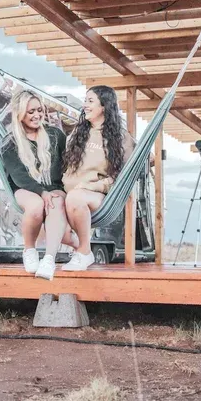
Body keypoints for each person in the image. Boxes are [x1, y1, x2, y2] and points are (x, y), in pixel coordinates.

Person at [1, 89, 79, 280]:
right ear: (20, 114)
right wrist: (41, 192)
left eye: (39, 110)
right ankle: (29, 250)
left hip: (54, 188)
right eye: (30, 112)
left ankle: (49, 259)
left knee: (57, 204)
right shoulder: (10, 142)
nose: (37, 115)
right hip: (24, 189)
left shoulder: (56, 135)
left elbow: (65, 167)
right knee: (36, 206)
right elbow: (19, 176)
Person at [62, 85, 135, 271]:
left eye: (90, 101)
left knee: (75, 198)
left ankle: (84, 252)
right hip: (69, 194)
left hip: (97, 197)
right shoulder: (77, 134)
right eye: (85, 101)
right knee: (47, 212)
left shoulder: (120, 138)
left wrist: (95, 186)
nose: (84, 105)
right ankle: (79, 249)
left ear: (104, 106)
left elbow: (122, 177)